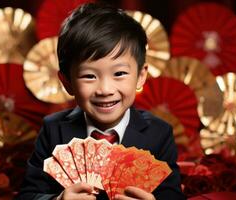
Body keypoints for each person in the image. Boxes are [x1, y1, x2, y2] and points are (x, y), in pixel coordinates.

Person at [16, 3, 184, 200]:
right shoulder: (53, 131)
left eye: (119, 73)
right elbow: (27, 196)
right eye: (89, 76)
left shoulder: (159, 134)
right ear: (67, 82)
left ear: (140, 76)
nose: (105, 90)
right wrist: (58, 199)